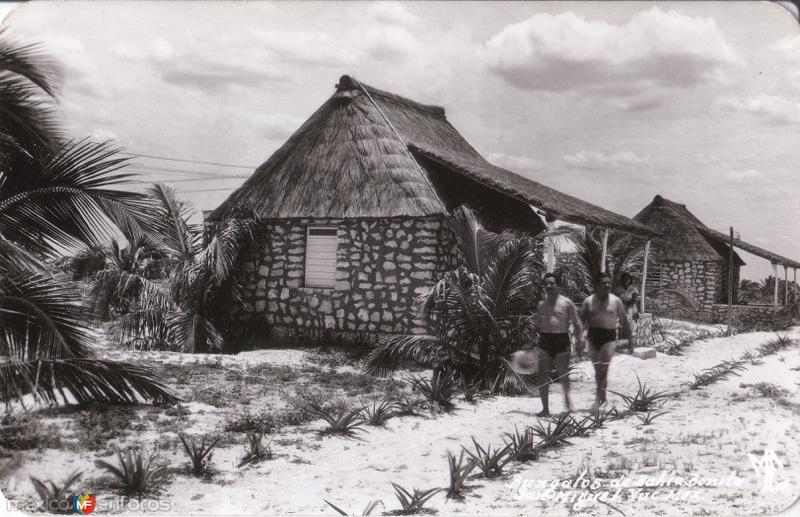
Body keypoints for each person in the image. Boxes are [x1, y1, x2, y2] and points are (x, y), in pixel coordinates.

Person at [580, 272, 631, 415]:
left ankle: (598, 398)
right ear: (596, 285)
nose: (607, 285)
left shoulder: (616, 301)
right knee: (598, 371)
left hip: (609, 336)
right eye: (604, 283)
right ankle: (603, 396)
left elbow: (624, 321)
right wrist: (578, 338)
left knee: (603, 369)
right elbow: (581, 321)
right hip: (593, 336)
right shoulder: (588, 301)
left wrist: (630, 340)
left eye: (609, 282)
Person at [534, 272, 584, 416]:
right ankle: (545, 409)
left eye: (552, 283)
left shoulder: (567, 303)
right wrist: (531, 338)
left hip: (561, 340)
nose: (549, 286)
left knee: (563, 374)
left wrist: (580, 340)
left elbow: (577, 323)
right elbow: (537, 323)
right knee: (543, 376)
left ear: (558, 286)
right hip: (545, 340)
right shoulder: (541, 305)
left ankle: (568, 404)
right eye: (546, 283)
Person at [614, 272, 639, 351]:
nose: (625, 281)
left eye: (627, 279)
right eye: (624, 279)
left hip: (631, 308)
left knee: (628, 320)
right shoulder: (618, 289)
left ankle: (629, 343)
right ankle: (619, 342)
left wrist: (626, 306)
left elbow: (633, 300)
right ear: (622, 280)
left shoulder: (633, 289)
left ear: (629, 280)